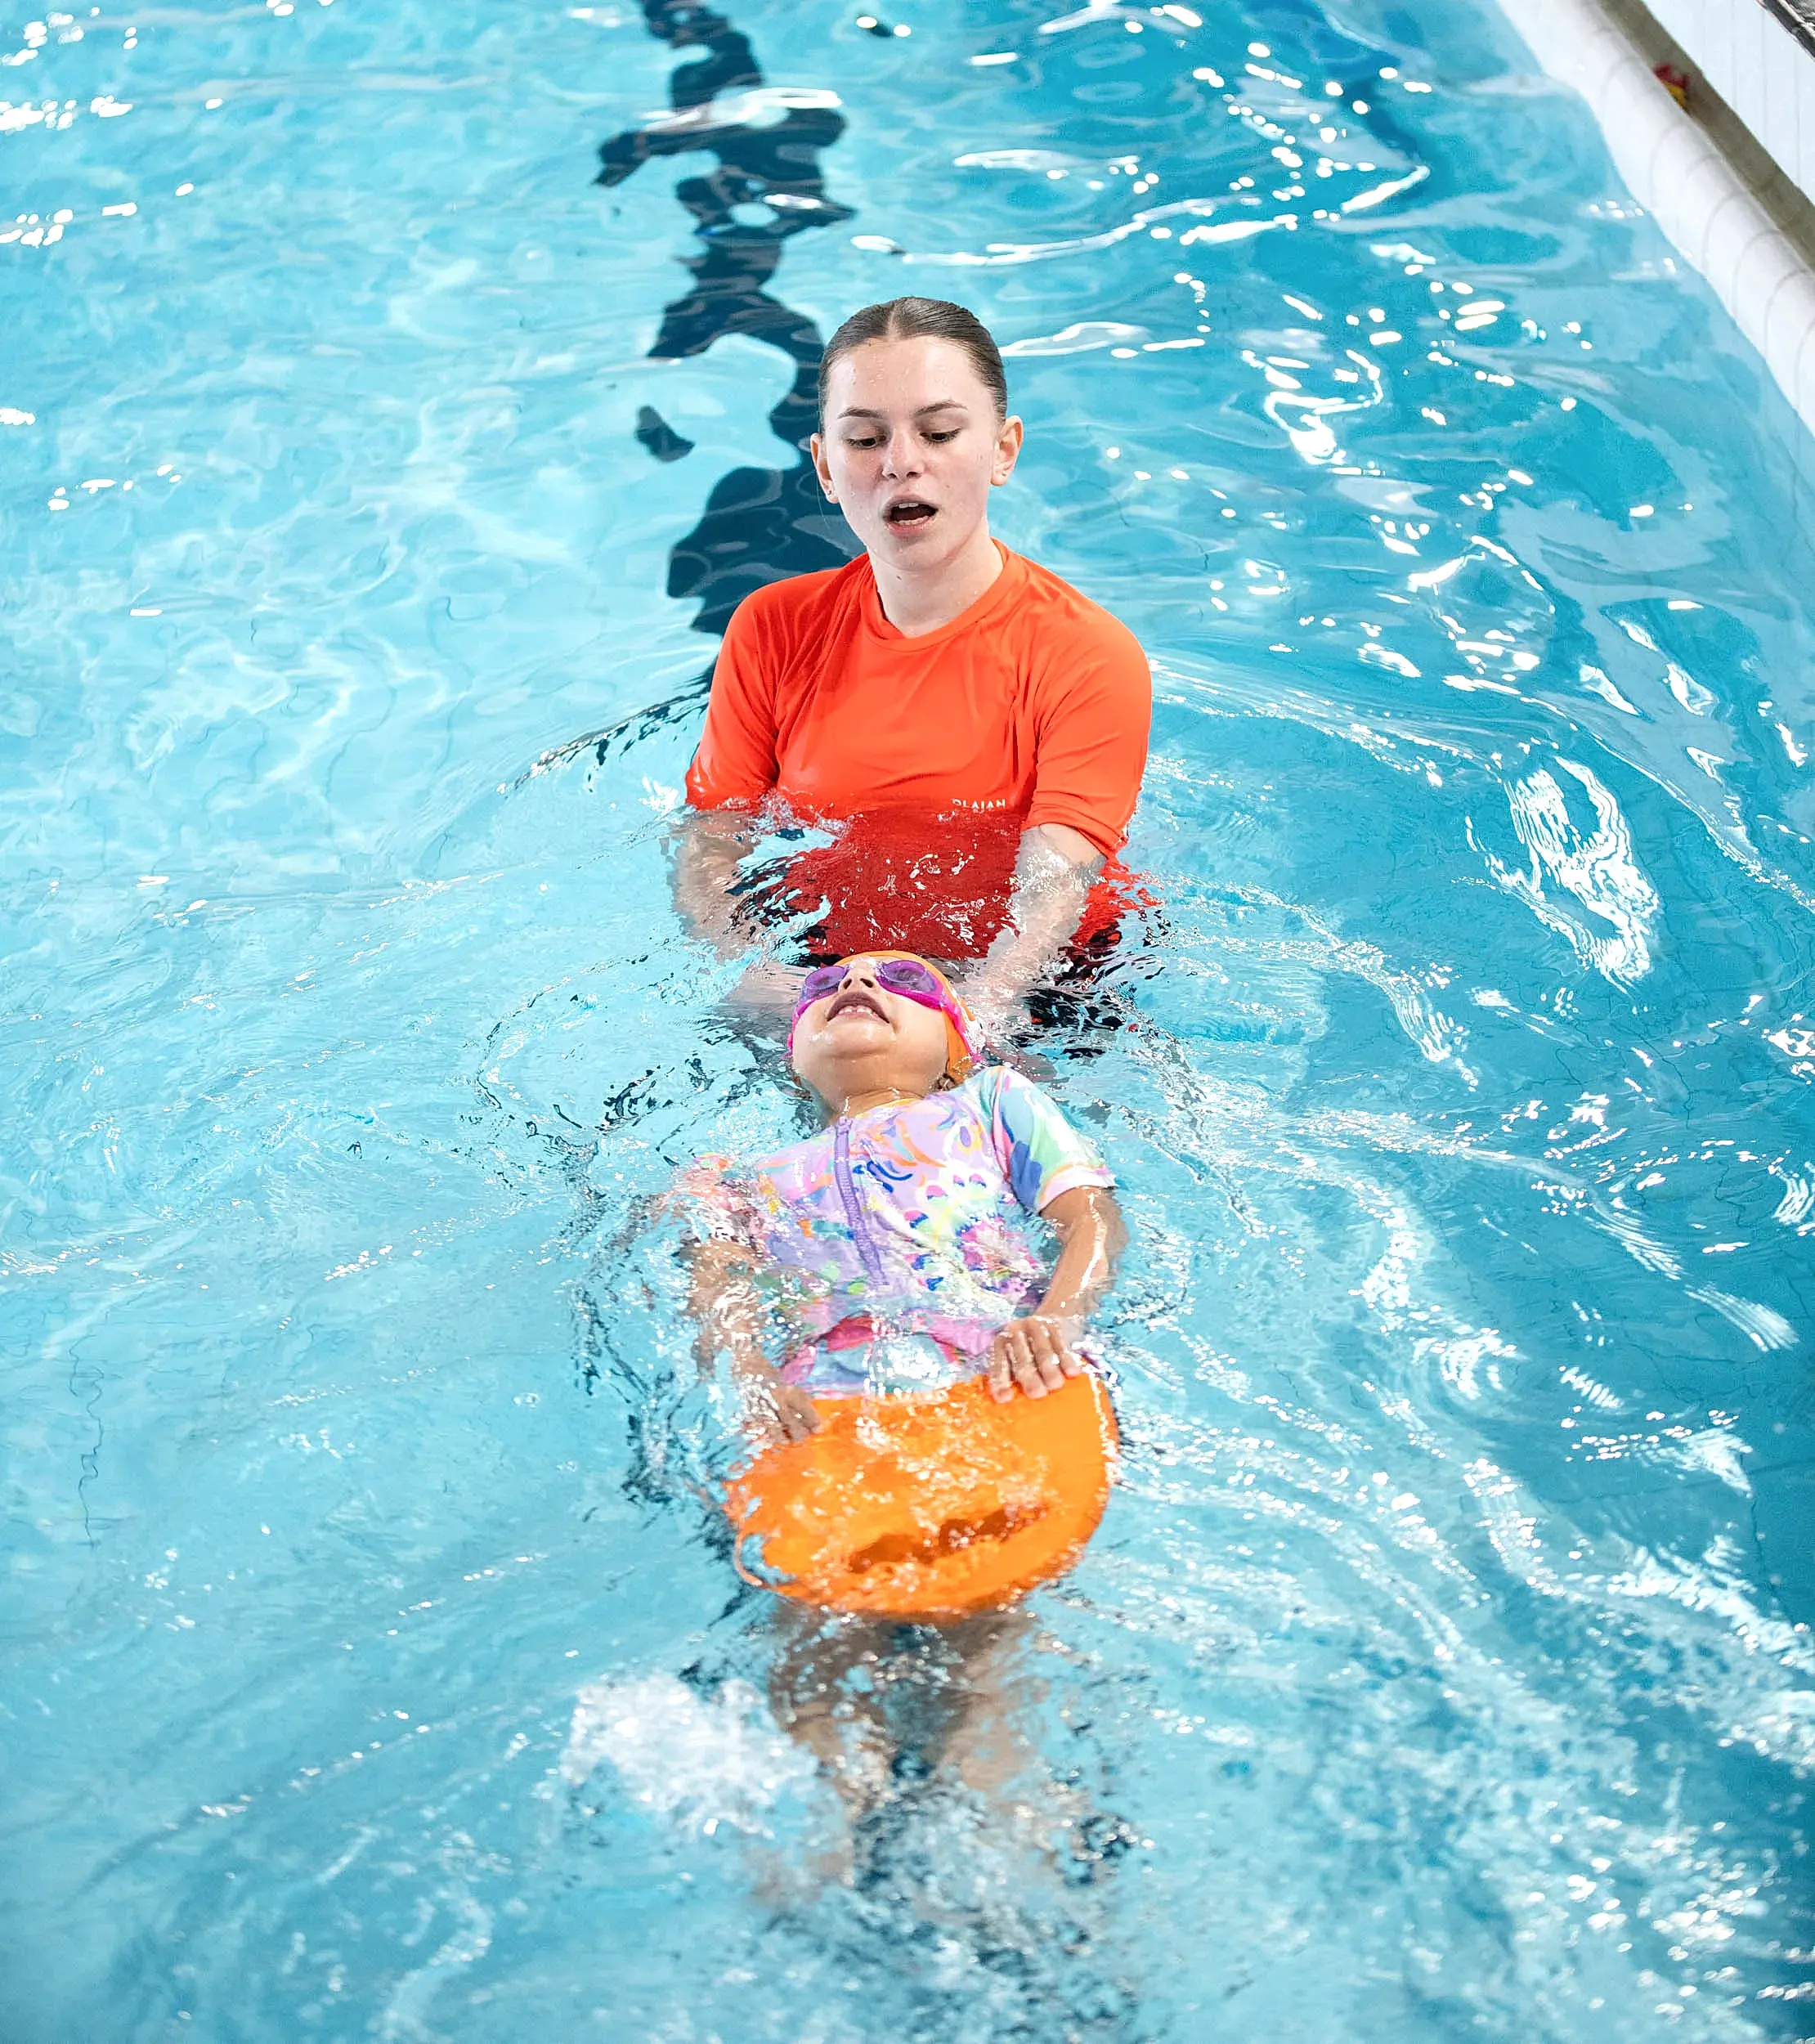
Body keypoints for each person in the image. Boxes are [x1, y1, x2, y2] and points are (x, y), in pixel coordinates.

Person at [672, 297, 1152, 1038]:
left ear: (1003, 449)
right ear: (825, 466)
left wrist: (983, 1009)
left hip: (1046, 982)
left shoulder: (1085, 653)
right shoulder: (773, 628)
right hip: (832, 967)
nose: (901, 462)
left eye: (939, 432)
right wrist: (749, 966)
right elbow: (712, 835)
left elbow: (1055, 885)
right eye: (864, 438)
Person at [681, 950, 1125, 1447]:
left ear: (955, 1046)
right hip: (824, 1399)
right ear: (794, 1061)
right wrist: (752, 1375)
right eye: (823, 985)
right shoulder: (741, 1179)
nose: (859, 977)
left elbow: (1091, 1216)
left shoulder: (991, 1101)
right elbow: (718, 1283)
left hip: (1004, 1358)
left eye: (906, 979)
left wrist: (1057, 1318)